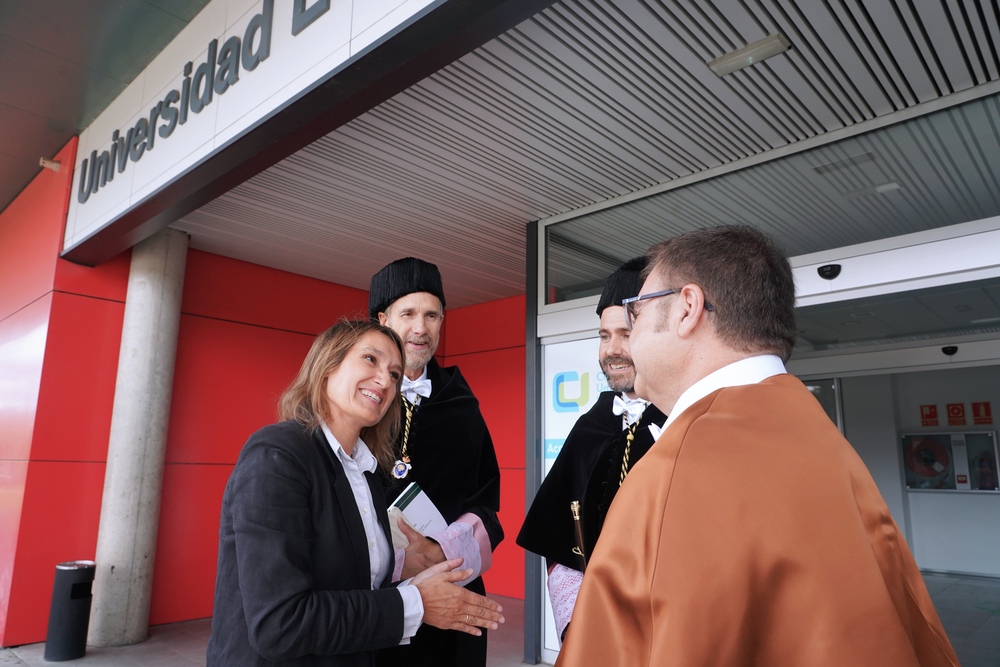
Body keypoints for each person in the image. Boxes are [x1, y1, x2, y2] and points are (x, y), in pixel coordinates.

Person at [557, 226, 959, 666]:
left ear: (687, 308)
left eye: (636, 311)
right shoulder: (818, 434)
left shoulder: (677, 469)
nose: (628, 337)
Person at [206, 320, 504, 667]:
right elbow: (280, 623)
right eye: (370, 359)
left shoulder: (366, 473)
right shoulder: (278, 455)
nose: (385, 380)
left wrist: (418, 581)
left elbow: (353, 591)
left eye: (395, 373)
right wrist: (417, 603)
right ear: (328, 366)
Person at [516, 256, 665, 642]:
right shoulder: (591, 425)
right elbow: (559, 540)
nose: (612, 350)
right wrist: (575, 626)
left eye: (626, 334)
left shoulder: (687, 422)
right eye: (603, 335)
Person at [368, 258, 503, 667]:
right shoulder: (358, 398)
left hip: (453, 585)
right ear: (383, 318)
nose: (420, 328)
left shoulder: (462, 403)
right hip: (380, 600)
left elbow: (485, 501)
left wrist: (441, 550)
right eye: (408, 314)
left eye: (431, 315)